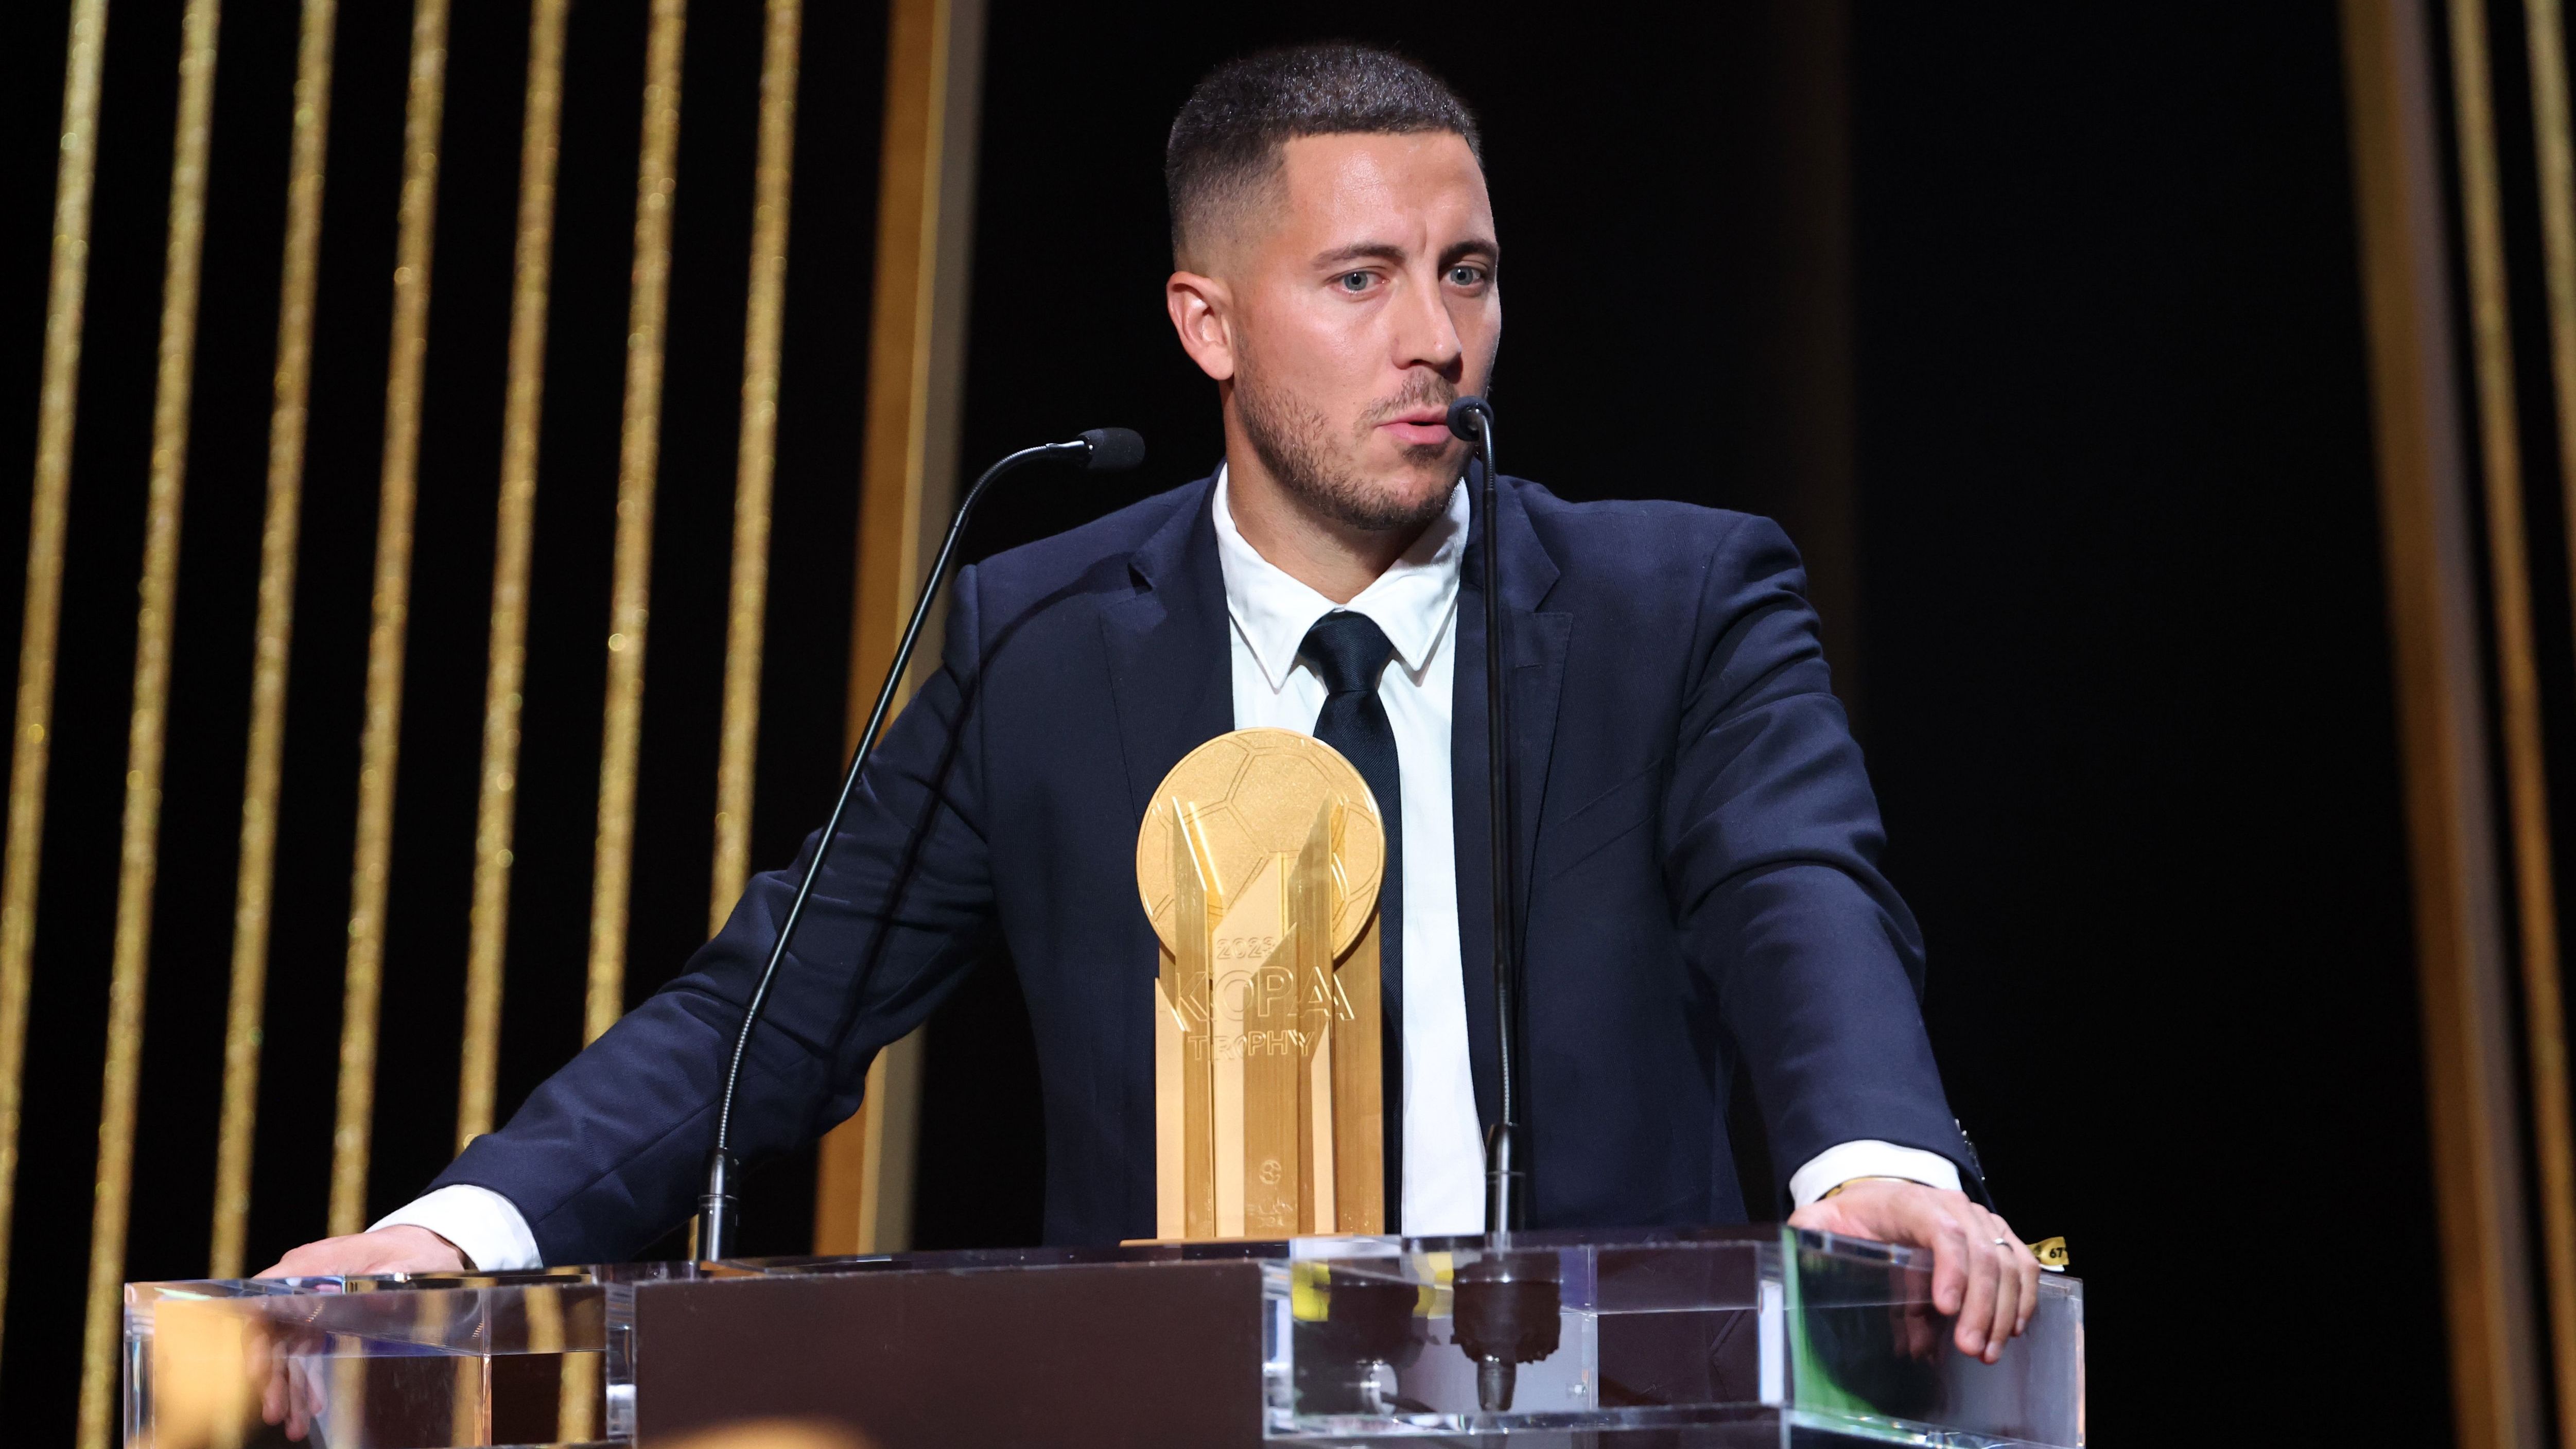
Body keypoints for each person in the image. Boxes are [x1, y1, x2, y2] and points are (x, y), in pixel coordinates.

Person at [269, 43, 2043, 1365]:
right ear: (1208, 323)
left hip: (1607, 1403)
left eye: (1467, 272)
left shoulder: (1677, 605)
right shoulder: (1043, 641)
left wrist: (1870, 1155)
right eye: (1360, 279)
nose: (1436, 339)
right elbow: (771, 1009)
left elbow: (1794, 889)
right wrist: (461, 1231)